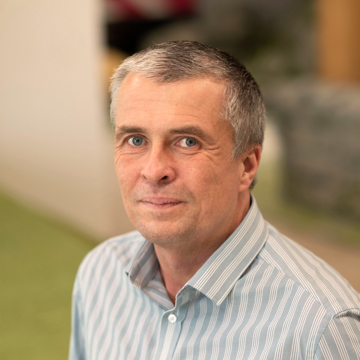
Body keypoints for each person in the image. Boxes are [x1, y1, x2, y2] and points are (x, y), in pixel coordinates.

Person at [69, 41, 360, 360]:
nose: (153, 171)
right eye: (135, 140)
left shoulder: (323, 326)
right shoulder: (100, 273)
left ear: (247, 165)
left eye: (187, 142)